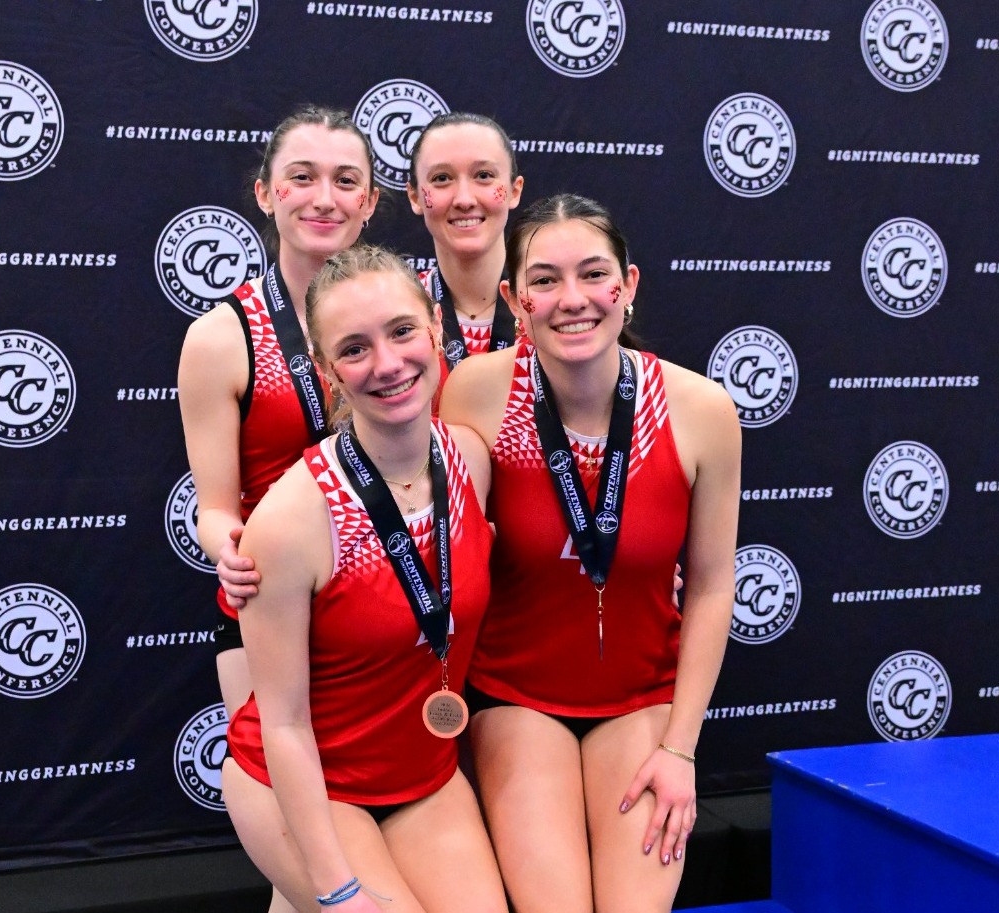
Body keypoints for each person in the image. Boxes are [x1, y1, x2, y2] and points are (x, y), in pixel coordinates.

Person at [439, 193, 741, 913]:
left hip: (642, 698)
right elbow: (433, 535)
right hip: (514, 697)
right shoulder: (476, 392)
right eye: (544, 280)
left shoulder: (702, 409)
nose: (571, 299)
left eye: (593, 273)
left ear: (627, 285)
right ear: (513, 299)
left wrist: (680, 748)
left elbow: (710, 584)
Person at [222, 245, 507, 913]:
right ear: (325, 369)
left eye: (402, 331)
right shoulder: (290, 521)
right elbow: (284, 725)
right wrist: (337, 889)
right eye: (353, 348)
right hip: (306, 785)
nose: (386, 363)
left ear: (435, 327)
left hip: (424, 777)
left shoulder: (470, 458)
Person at [178, 105, 378, 714]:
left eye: (346, 181)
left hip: (391, 603)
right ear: (266, 194)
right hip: (271, 602)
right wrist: (229, 548)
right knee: (278, 771)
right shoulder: (219, 338)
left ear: (369, 203)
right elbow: (214, 508)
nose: (325, 199)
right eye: (302, 177)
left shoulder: (404, 321)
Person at [405, 112, 524, 370]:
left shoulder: (547, 305)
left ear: (514, 191)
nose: (464, 200)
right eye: (441, 178)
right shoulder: (396, 309)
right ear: (414, 196)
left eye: (483, 175)